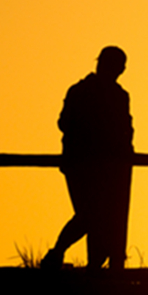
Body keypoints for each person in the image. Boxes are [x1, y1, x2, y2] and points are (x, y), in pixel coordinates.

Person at [41, 46, 134, 270]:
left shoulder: (119, 96)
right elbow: (64, 123)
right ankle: (58, 253)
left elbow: (127, 129)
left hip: (109, 169)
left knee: (99, 218)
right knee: (90, 216)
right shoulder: (81, 91)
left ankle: (85, 264)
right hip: (81, 165)